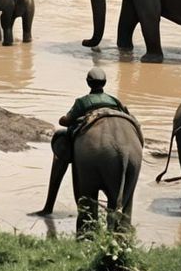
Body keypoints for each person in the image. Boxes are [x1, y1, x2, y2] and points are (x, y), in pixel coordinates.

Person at [34, 66, 130, 215]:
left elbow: (66, 121)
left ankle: (49, 206)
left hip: (90, 147)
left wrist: (65, 119)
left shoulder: (82, 102)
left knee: (62, 138)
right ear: (105, 82)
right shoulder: (114, 100)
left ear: (88, 82)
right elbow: (126, 113)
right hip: (123, 143)